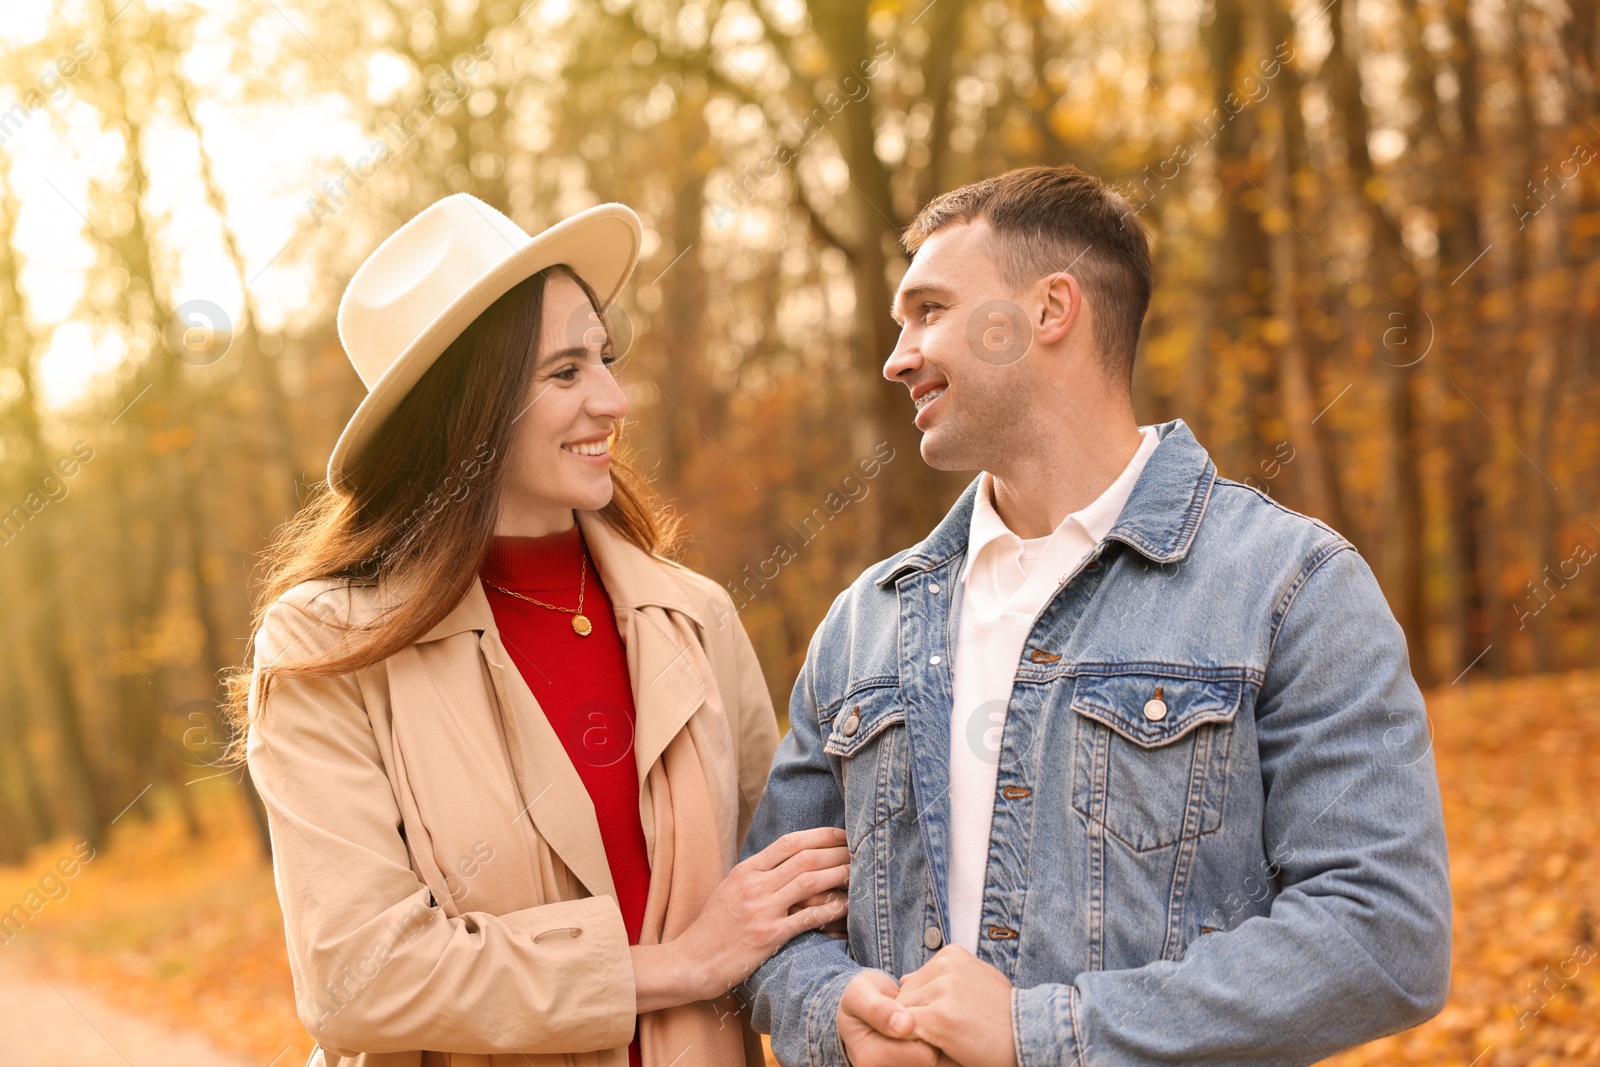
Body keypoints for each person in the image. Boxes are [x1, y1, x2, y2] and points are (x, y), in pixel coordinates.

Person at [738, 165, 1451, 1066]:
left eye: (928, 310)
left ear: (1048, 311)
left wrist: (1043, 1034)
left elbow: (1385, 937)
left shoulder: (1292, 587)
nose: (898, 355)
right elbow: (773, 926)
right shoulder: (862, 623)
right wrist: (840, 1013)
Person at [235, 194, 849, 1067]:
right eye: (565, 373)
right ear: (465, 412)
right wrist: (672, 966)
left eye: (604, 357)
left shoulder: (694, 615)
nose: (614, 398)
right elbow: (355, 979)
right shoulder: (326, 647)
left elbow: (781, 899)